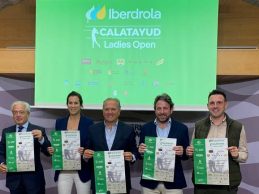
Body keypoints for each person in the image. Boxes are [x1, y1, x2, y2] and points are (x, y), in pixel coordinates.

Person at [186, 89, 248, 194]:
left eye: (219, 102)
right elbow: (193, 149)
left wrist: (236, 155)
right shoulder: (198, 126)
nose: (215, 106)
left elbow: (244, 154)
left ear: (225, 105)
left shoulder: (237, 127)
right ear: (207, 106)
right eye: (212, 103)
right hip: (203, 185)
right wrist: (190, 152)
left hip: (227, 186)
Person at [83, 98, 137, 194]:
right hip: (100, 181)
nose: (110, 112)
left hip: (121, 182)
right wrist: (85, 155)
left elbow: (135, 151)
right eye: (107, 109)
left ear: (119, 111)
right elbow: (87, 150)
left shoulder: (128, 130)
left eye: (113, 109)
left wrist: (132, 156)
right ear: (103, 111)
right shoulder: (92, 129)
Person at [138, 93, 190, 194]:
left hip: (174, 183)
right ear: (155, 110)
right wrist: (140, 151)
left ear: (171, 109)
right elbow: (141, 154)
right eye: (159, 108)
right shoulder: (146, 128)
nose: (162, 112)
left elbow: (186, 156)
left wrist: (183, 152)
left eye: (165, 108)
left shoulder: (182, 128)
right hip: (150, 183)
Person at [0, 101, 51, 194]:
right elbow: (1, 152)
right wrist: (1, 163)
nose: (18, 115)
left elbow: (48, 152)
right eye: (15, 112)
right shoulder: (6, 132)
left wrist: (41, 139)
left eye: (21, 112)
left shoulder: (39, 130)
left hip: (34, 181)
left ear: (28, 114)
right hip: (14, 181)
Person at [47, 91, 93, 194]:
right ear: (67, 104)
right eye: (70, 103)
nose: (73, 106)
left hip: (83, 170)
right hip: (64, 170)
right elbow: (58, 143)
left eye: (76, 103)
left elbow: (91, 145)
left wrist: (84, 151)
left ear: (81, 105)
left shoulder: (88, 122)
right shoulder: (60, 122)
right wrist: (54, 149)